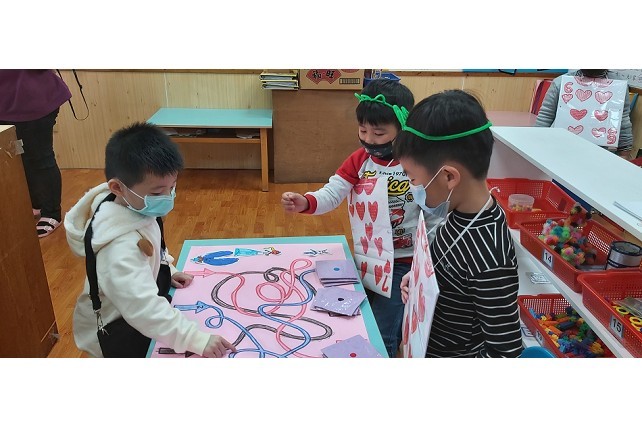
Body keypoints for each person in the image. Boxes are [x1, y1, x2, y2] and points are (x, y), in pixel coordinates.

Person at [281, 79, 436, 358]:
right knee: (355, 317)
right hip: (367, 258)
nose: (369, 139)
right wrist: (307, 201)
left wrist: (426, 260)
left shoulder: (417, 162)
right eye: (363, 130)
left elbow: (434, 211)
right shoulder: (360, 160)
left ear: (403, 127)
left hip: (404, 263)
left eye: (379, 133)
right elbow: (334, 191)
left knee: (384, 330)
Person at [65, 122, 236, 358]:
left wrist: (167, 268)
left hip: (135, 313)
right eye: (157, 193)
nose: (167, 197)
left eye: (172, 187)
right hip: (117, 329)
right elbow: (142, 308)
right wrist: (194, 339)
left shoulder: (135, 205)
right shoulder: (118, 249)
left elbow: (151, 247)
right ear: (117, 187)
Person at [394, 89, 523, 358]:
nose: (411, 188)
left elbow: (505, 351)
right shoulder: (458, 209)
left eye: (413, 179)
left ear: (449, 177)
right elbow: (450, 267)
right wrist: (419, 277)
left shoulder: (489, 256)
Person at [0, 69, 71, 237]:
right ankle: (35, 203)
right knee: (18, 157)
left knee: (39, 157)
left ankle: (52, 212)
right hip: (5, 102)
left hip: (31, 99)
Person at [535, 69, 634, 160]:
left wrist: (624, 152)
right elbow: (545, 116)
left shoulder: (618, 85)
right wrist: (536, 143)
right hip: (561, 150)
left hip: (600, 154)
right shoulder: (561, 82)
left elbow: (622, 119)